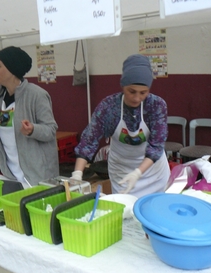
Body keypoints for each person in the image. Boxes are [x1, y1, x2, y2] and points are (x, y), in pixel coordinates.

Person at [72, 54, 170, 198]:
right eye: (132, 91)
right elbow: (89, 141)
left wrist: (138, 172)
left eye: (143, 92)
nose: (137, 98)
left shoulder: (156, 106)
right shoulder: (109, 107)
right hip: (121, 172)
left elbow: (156, 146)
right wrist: (77, 174)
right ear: (123, 86)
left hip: (152, 173)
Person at [0, 46, 59, 186]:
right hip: (11, 174)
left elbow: (50, 130)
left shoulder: (36, 95)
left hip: (37, 176)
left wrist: (32, 129)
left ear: (12, 68)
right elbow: (6, 125)